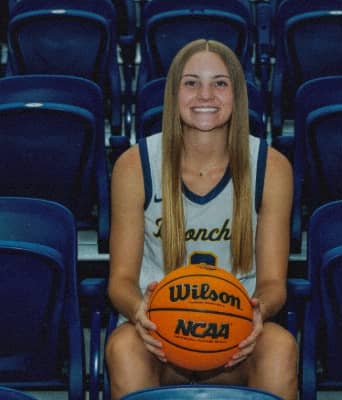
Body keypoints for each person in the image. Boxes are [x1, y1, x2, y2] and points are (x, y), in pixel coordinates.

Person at [105, 38, 298, 400]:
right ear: (173, 94)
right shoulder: (135, 165)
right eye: (191, 83)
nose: (205, 95)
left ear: (237, 94)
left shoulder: (271, 167)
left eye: (219, 83)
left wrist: (259, 311)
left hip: (236, 336)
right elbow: (121, 280)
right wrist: (138, 310)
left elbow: (273, 282)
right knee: (123, 348)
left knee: (280, 347)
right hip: (158, 335)